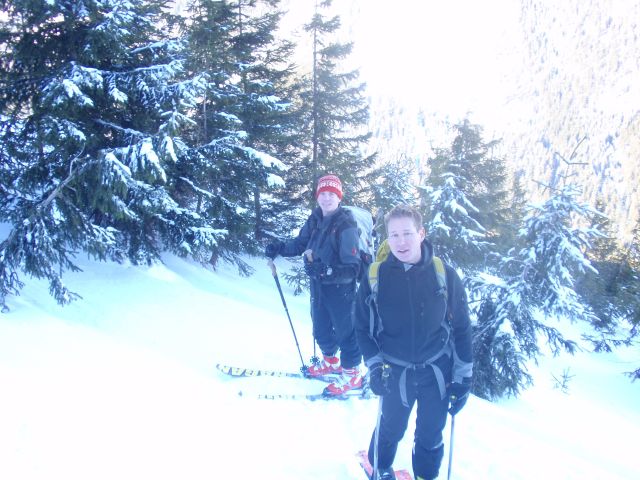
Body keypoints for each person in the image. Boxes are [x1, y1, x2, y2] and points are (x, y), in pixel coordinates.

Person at [354, 204, 473, 480]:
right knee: (390, 428)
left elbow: (462, 328)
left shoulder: (444, 274)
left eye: (407, 233)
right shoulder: (375, 277)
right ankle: (379, 468)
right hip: (394, 372)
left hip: (436, 372)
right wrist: (375, 367)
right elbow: (362, 329)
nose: (401, 242)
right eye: (393, 235)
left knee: (430, 435)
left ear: (421, 233)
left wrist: (463, 379)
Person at [265, 174, 363, 396]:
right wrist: (279, 247)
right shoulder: (316, 218)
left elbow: (353, 268)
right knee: (320, 328)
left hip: (341, 289)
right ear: (317, 196)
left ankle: (352, 374)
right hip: (318, 285)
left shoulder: (346, 224)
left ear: (339, 197)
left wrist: (327, 270)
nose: (327, 198)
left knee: (346, 331)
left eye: (331, 194)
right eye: (323, 193)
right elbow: (300, 243)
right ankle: (331, 362)